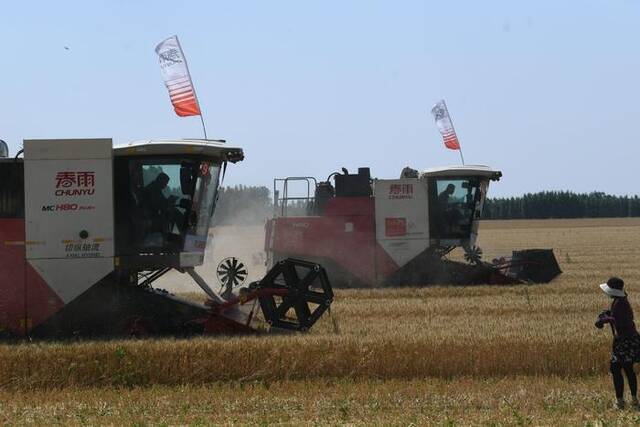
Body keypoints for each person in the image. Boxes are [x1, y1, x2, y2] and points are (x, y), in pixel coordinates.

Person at [595, 277, 640, 409]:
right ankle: (633, 400)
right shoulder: (620, 301)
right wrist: (608, 314)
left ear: (613, 291)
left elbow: (621, 322)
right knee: (627, 369)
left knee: (617, 368)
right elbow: (619, 317)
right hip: (628, 340)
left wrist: (604, 320)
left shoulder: (620, 303)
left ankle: (621, 401)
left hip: (625, 341)